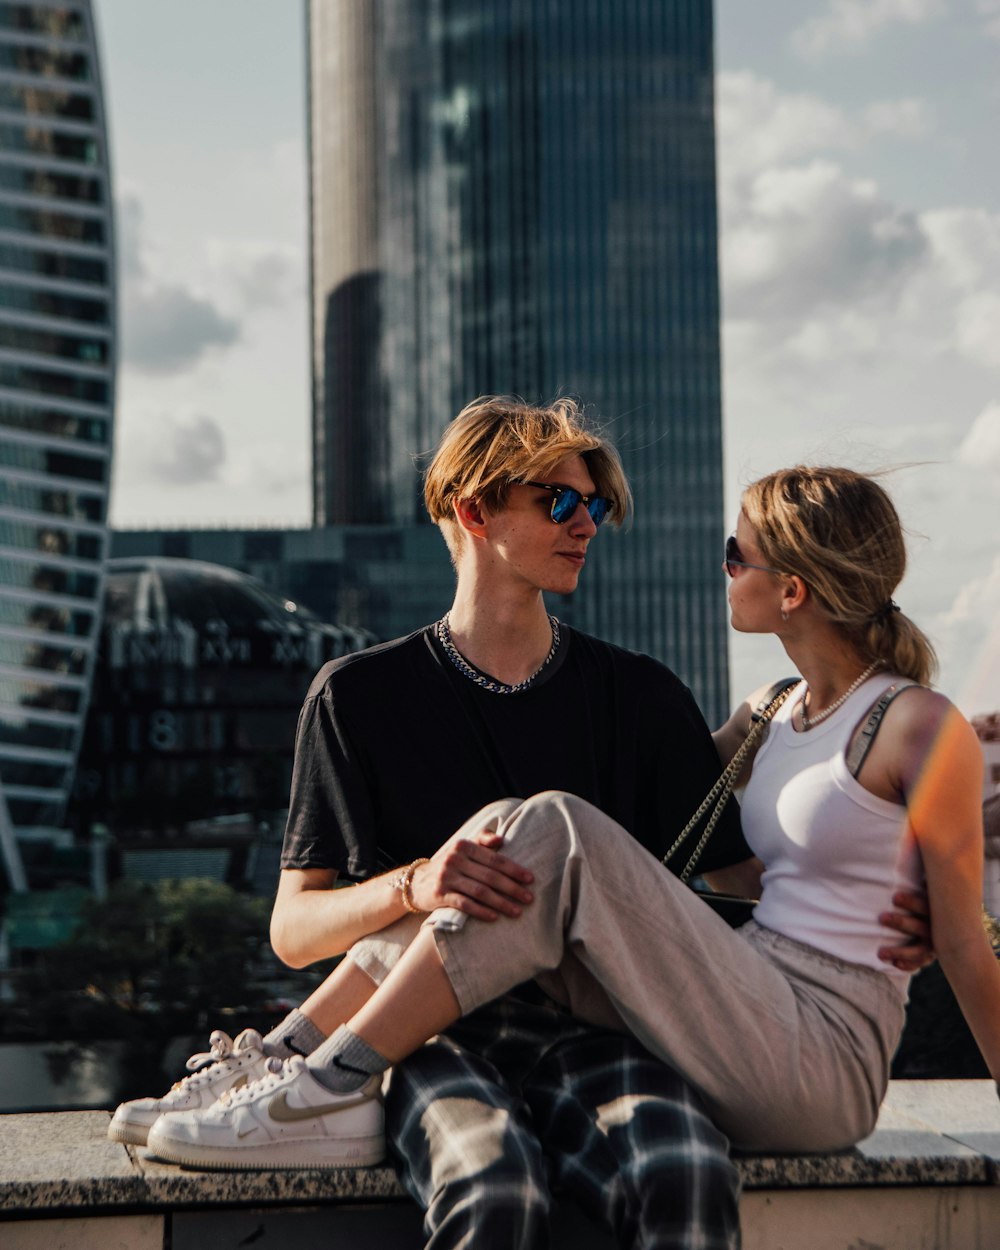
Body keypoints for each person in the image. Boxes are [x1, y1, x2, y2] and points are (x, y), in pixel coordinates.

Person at [129, 438, 932, 1190]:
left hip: (656, 1035)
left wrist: (911, 905)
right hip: (447, 1038)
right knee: (491, 1171)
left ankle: (317, 1080)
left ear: (796, 588)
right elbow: (294, 930)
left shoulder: (649, 698)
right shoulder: (362, 695)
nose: (585, 524)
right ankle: (287, 1068)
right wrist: (416, 884)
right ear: (474, 512)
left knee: (540, 829)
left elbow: (767, 882)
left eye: (594, 507)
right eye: (558, 503)